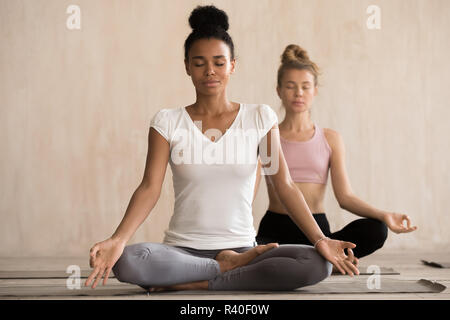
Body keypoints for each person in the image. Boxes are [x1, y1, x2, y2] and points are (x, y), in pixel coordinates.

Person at [85, 6, 359, 293]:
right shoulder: (168, 121)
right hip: (182, 253)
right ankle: (221, 269)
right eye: (200, 62)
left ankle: (199, 282)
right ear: (187, 66)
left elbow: (285, 185)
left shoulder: (259, 118)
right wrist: (118, 239)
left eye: (219, 61)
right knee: (128, 261)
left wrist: (320, 239)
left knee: (316, 263)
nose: (210, 71)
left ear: (232, 65)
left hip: (243, 249)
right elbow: (149, 188)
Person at [255, 44, 418, 267]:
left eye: (305, 86)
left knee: (376, 229)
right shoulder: (266, 137)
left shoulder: (330, 139)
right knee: (250, 249)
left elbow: (345, 197)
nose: (298, 93)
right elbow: (249, 190)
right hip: (275, 229)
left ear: (315, 90)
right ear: (279, 90)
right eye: (291, 86)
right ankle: (320, 263)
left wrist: (385, 215)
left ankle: (321, 258)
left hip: (317, 230)